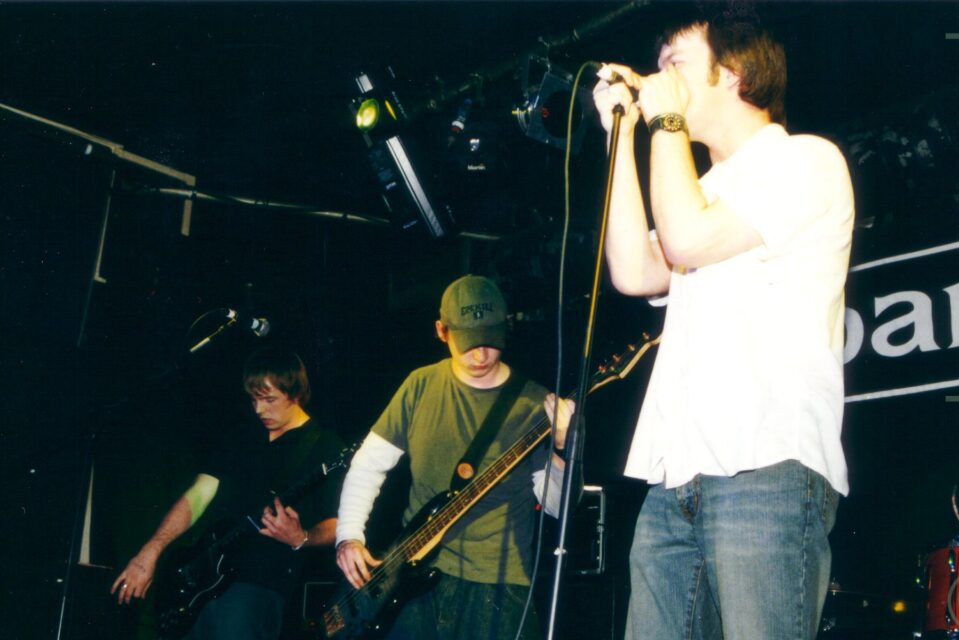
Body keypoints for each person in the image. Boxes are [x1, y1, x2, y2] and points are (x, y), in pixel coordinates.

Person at [592, 15, 854, 640]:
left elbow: (686, 238)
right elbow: (632, 271)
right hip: (676, 477)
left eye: (675, 62)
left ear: (733, 72)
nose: (659, 76)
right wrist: (620, 134)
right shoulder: (696, 187)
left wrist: (666, 122)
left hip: (767, 469)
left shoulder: (806, 160)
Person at [334, 274, 574, 640]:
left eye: (490, 340)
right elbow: (368, 466)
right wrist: (349, 536)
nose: (480, 355)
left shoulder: (536, 405)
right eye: (468, 342)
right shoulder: (420, 385)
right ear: (441, 331)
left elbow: (557, 505)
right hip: (412, 574)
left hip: (498, 583)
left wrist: (561, 448)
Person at [111, 347, 345, 639]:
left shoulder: (324, 446)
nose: (259, 410)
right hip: (201, 589)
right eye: (254, 399)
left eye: (269, 399)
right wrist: (151, 551)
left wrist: (303, 537)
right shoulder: (241, 436)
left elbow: (338, 524)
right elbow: (198, 495)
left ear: (295, 393)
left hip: (257, 588)